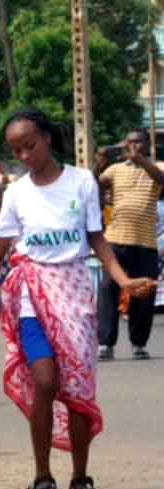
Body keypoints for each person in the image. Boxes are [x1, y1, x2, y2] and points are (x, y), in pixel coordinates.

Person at [0, 109, 154, 489]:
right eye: (16, 149)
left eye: (30, 145)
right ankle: (42, 475)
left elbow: (97, 239)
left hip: (75, 292)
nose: (24, 155)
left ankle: (80, 475)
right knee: (44, 380)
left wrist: (124, 280)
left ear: (47, 138)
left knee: (76, 387)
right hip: (32, 295)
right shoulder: (16, 193)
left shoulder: (81, 183)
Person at [94, 130, 164, 360]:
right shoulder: (115, 169)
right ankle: (105, 343)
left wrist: (140, 161)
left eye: (138, 141)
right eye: (129, 141)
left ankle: (139, 343)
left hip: (145, 242)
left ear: (147, 144)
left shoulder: (157, 167)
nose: (133, 145)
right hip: (115, 240)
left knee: (144, 293)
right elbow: (94, 186)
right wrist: (99, 164)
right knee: (108, 290)